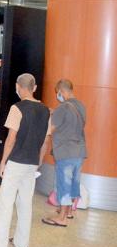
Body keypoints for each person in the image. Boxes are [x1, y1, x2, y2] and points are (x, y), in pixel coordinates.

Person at [0, 73, 51, 247]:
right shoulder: (46, 110)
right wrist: (39, 162)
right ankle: (21, 242)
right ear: (34, 88)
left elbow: (11, 139)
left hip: (16, 161)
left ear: (18, 87)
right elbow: (46, 141)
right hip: (32, 163)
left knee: (4, 204)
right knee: (25, 203)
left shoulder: (17, 108)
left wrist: (2, 162)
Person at [42, 79, 87, 227]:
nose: (57, 96)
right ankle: (69, 212)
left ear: (62, 91)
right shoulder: (81, 106)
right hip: (79, 151)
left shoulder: (62, 108)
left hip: (65, 152)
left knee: (64, 185)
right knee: (74, 183)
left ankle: (62, 218)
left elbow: (51, 129)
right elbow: (73, 122)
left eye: (57, 93)